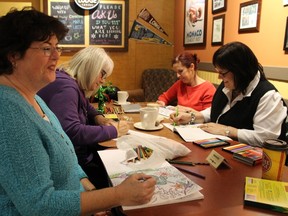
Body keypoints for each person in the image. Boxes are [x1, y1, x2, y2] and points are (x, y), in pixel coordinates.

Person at [0, 7, 156, 215]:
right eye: (47, 48)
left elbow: (66, 153)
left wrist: (91, 193)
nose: (57, 56)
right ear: (13, 55)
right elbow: (39, 206)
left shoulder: (34, 97)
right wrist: (117, 195)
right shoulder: (8, 113)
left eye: (57, 47)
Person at [38, 46, 129, 189]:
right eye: (103, 74)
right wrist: (115, 130)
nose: (103, 81)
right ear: (92, 67)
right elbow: (72, 131)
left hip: (74, 159)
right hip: (71, 166)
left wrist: (99, 117)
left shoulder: (70, 82)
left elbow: (85, 105)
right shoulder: (67, 88)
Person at [171, 42, 287, 147]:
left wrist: (228, 131)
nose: (219, 78)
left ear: (239, 71)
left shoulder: (268, 96)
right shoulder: (231, 83)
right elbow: (220, 110)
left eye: (223, 73)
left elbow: (266, 138)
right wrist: (193, 117)